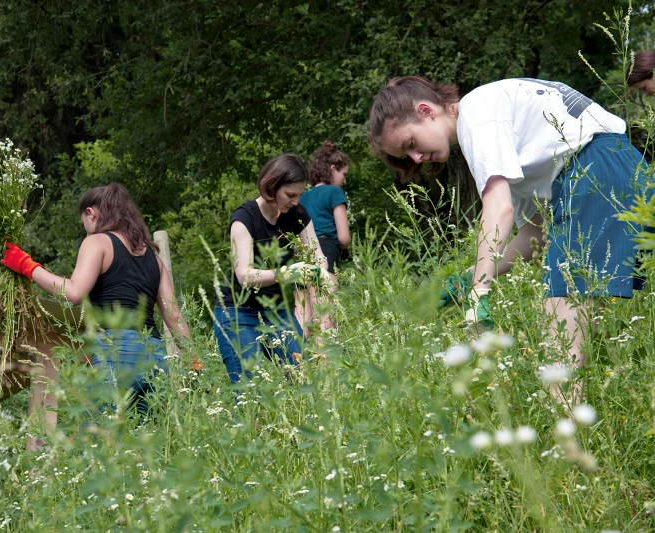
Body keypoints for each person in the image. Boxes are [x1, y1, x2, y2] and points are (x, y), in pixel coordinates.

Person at [368, 76, 648, 399]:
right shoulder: (501, 126)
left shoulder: (476, 115)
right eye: (407, 156)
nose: (416, 158)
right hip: (624, 168)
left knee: (560, 352)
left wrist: (479, 293)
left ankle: (568, 429)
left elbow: (498, 209)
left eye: (410, 144)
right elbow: (537, 231)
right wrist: (470, 278)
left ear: (426, 111)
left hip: (593, 177)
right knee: (576, 339)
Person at [0, 183, 191, 417]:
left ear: (91, 213)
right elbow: (174, 316)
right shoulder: (155, 259)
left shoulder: (97, 242)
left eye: (84, 224)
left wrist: (27, 266)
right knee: (145, 439)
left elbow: (74, 292)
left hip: (117, 351)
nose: (86, 232)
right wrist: (195, 363)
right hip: (155, 355)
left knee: (101, 434)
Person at [214, 153, 330, 384]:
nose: (296, 202)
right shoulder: (244, 219)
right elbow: (244, 275)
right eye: (290, 195)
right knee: (250, 388)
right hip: (237, 312)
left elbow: (319, 257)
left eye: (299, 195)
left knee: (305, 377)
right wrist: (287, 273)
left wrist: (318, 272)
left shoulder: (297, 215)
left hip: (276, 311)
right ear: (271, 186)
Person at [298, 141, 351, 331]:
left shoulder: (302, 197)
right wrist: (345, 248)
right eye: (344, 174)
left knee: (303, 318)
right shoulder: (335, 192)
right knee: (325, 318)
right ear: (333, 169)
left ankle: (299, 351)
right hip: (325, 251)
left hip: (301, 255)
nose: (344, 180)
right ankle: (327, 352)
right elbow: (344, 238)